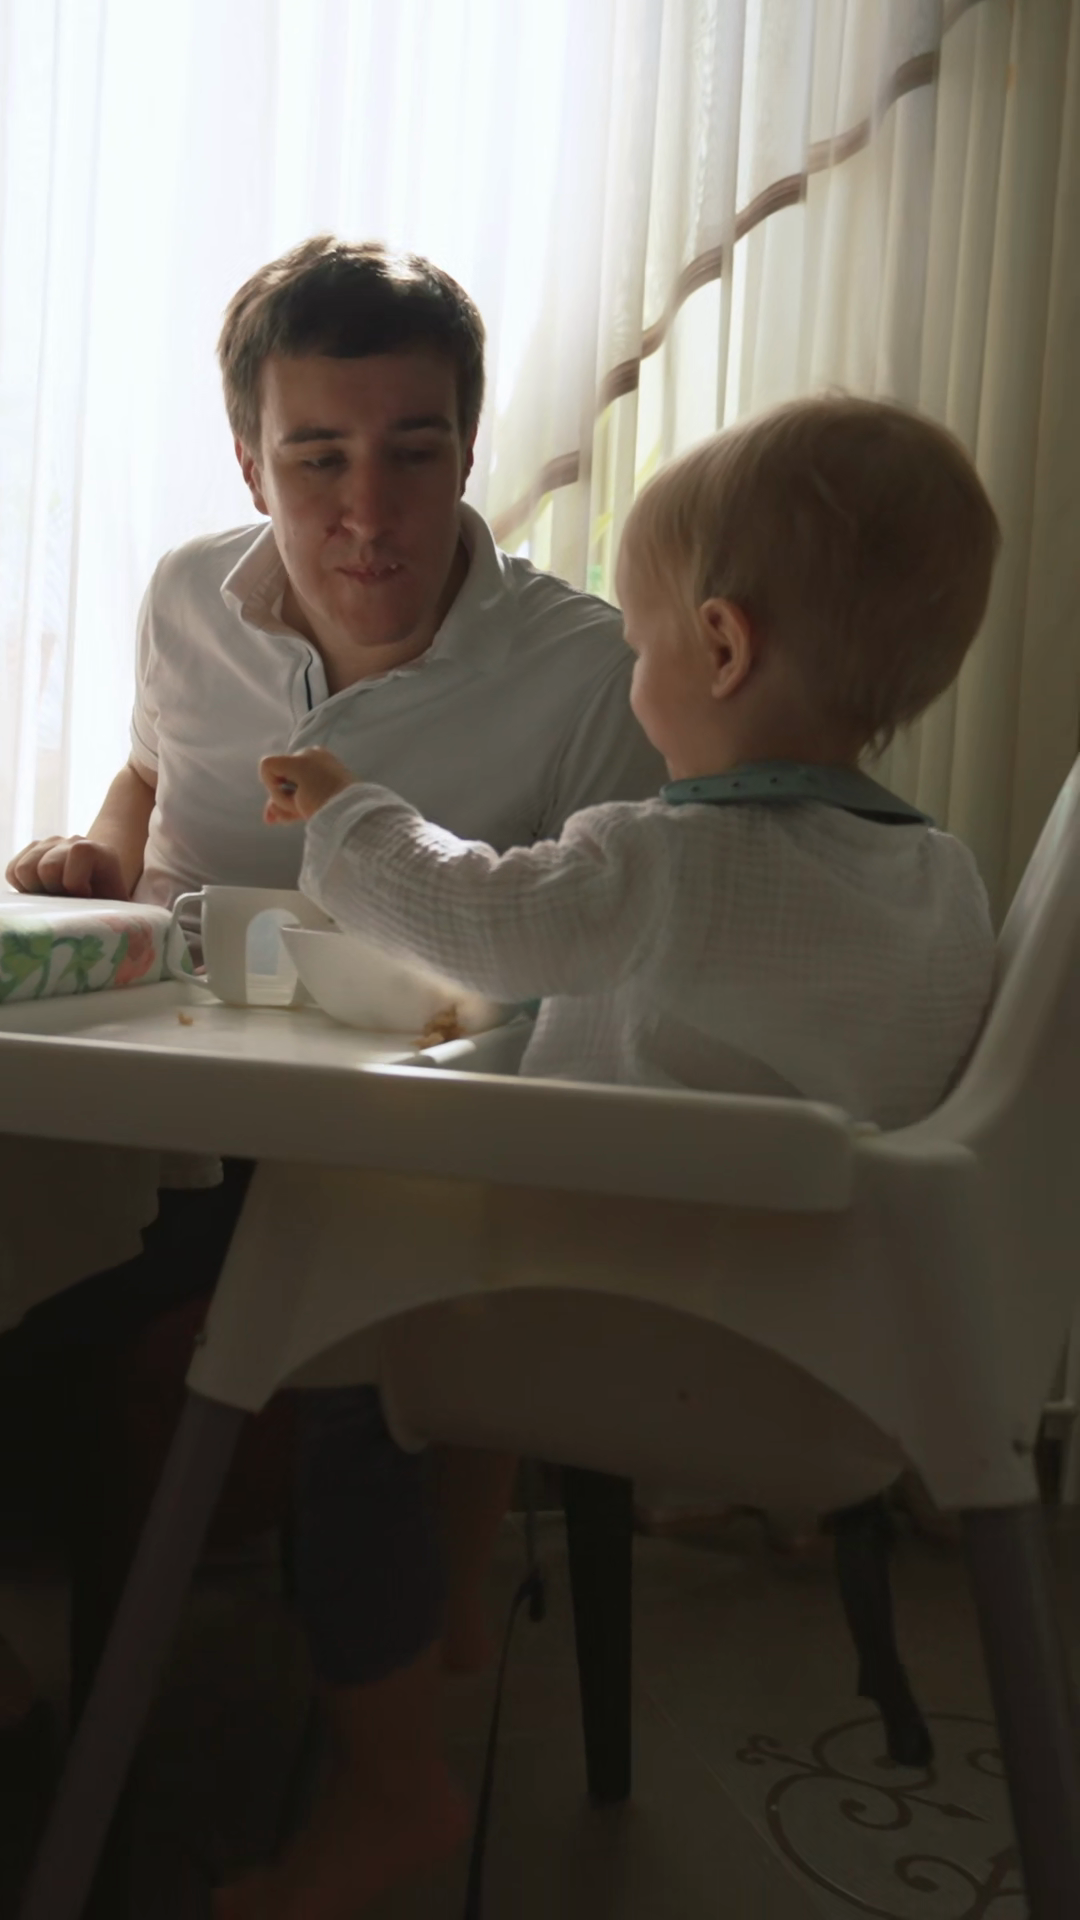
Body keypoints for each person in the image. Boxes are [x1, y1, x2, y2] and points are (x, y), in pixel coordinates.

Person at [228, 393, 1000, 1919]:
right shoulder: (942, 874)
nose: (633, 682)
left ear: (718, 648)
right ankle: (455, 1604)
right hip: (834, 1357)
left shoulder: (662, 857)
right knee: (470, 1248)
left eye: (640, 646)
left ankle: (390, 1784)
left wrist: (350, 811)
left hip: (639, 1324)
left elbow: (478, 913)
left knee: (338, 1350)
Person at [1, 240, 662, 1779]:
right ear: (251, 461)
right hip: (160, 1107)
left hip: (400, 1145)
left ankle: (340, 1731)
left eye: (412, 452)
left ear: (469, 448)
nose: (368, 512)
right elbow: (154, 776)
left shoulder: (585, 671)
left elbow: (608, 968)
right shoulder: (188, 596)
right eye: (317, 459)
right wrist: (99, 851)